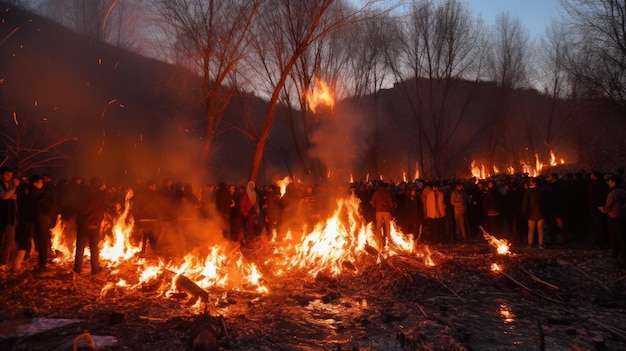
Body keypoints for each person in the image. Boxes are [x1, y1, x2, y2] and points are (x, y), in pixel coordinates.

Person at [73, 177, 107, 275]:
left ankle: (77, 269)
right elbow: (104, 203)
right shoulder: (100, 195)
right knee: (94, 248)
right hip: (94, 225)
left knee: (80, 248)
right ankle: (95, 269)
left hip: (83, 225)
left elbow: (77, 207)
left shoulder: (82, 194)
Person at [598, 175, 626, 269]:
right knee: (622, 237)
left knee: (614, 238)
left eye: (609, 182)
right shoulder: (624, 191)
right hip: (623, 216)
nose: (608, 183)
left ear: (613, 182)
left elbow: (607, 207)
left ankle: (616, 257)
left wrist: (602, 209)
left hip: (614, 218)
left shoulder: (612, 194)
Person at [0, 166, 19, 270]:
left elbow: (12, 196)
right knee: (2, 241)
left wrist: (12, 192)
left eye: (11, 175)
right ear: (1, 175)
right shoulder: (2, 185)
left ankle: (3, 263)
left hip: (11, 217)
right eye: (7, 175)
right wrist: (12, 190)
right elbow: (4, 196)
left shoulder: (10, 185)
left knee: (9, 241)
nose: (9, 177)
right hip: (2, 217)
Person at [522, 177, 546, 249]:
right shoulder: (541, 191)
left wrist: (525, 213)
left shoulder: (528, 192)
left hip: (531, 214)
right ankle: (541, 245)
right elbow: (545, 202)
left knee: (531, 230)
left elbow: (525, 204)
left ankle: (530, 244)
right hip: (541, 214)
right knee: (540, 230)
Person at [370, 182, 395, 247]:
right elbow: (391, 204)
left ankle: (378, 241)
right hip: (386, 211)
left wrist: (376, 207)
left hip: (378, 211)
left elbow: (372, 202)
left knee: (378, 226)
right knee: (387, 226)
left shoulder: (376, 193)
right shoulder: (387, 193)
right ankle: (388, 240)